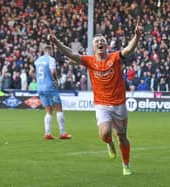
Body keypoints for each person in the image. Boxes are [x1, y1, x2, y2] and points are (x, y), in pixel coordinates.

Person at [48, 22, 143, 176]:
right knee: (105, 133)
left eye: (102, 41)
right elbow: (70, 53)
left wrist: (137, 35)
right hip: (102, 104)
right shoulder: (89, 61)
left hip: (119, 104)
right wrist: (56, 42)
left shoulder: (115, 57)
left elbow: (129, 49)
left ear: (107, 46)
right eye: (97, 42)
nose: (100, 43)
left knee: (123, 136)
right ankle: (109, 143)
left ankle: (126, 165)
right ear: (93, 47)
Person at [31, 45, 72, 140]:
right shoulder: (51, 59)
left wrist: (39, 80)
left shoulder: (37, 61)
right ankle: (62, 133)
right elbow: (53, 71)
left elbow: (31, 72)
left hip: (40, 88)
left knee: (48, 111)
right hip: (50, 87)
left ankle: (47, 133)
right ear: (50, 51)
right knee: (59, 108)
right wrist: (55, 81)